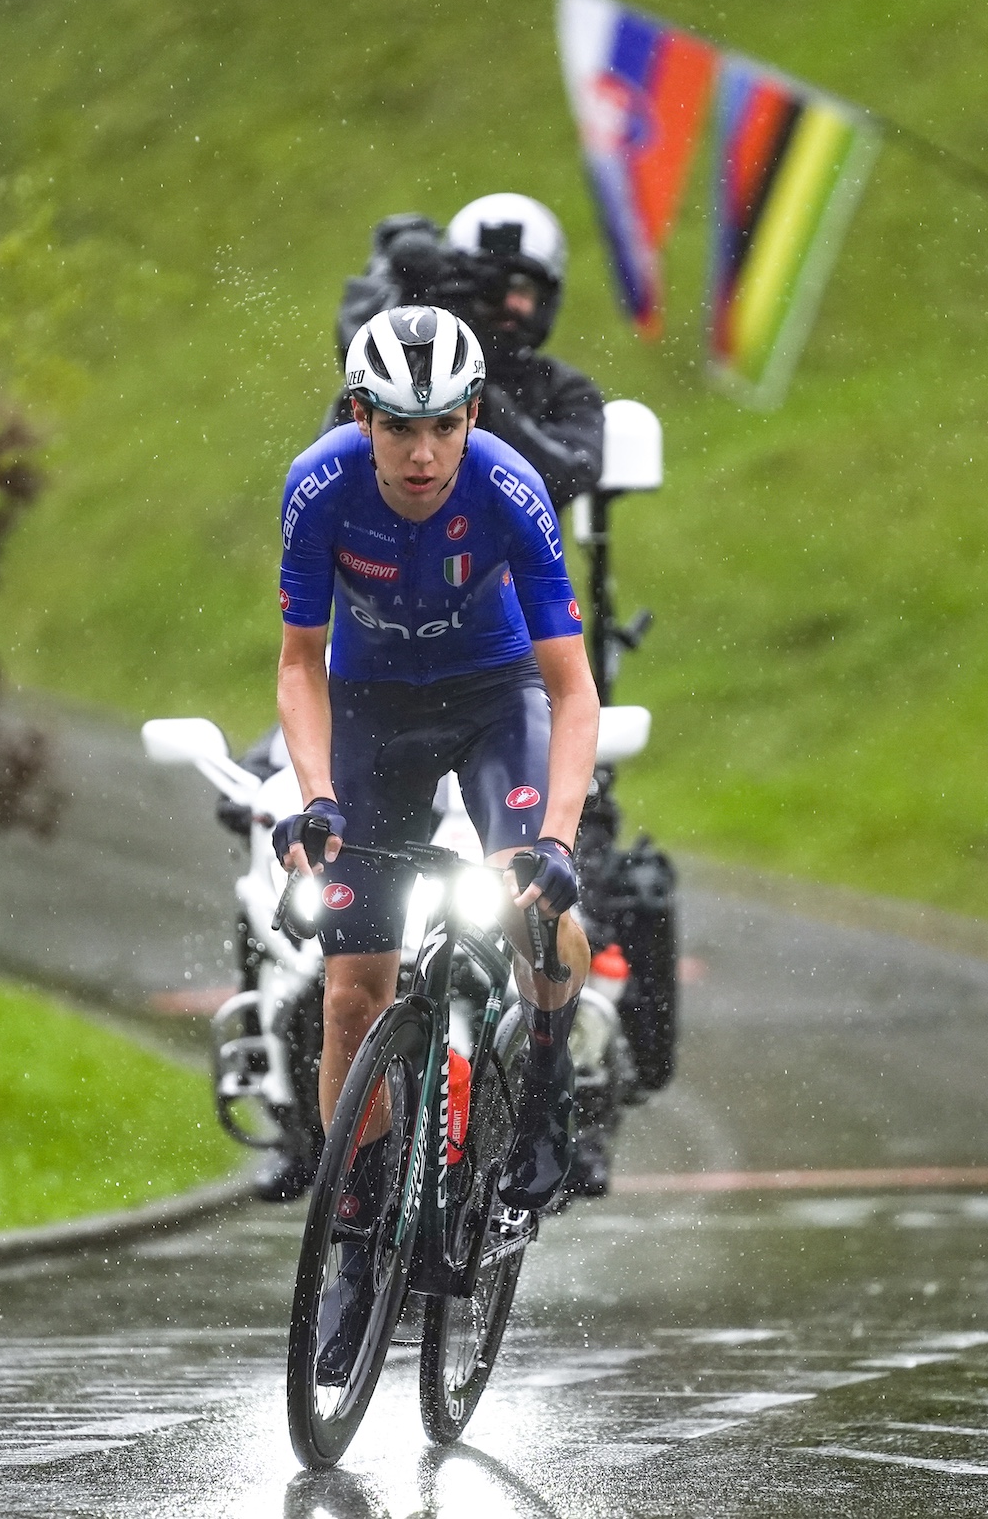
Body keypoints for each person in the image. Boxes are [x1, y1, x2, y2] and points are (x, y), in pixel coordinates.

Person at [271, 304, 599, 1382]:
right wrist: (315, 797)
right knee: (350, 991)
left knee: (533, 906)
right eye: (399, 428)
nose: (422, 454)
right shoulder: (319, 488)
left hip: (492, 700)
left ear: (471, 417)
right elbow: (299, 663)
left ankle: (546, 1096)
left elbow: (570, 687)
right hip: (369, 711)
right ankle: (357, 1240)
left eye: (444, 427)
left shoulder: (510, 489)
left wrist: (553, 839)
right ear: (361, 416)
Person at [327, 194, 605, 512]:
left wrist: (465, 383)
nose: (508, 303)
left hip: (504, 560)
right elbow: (356, 352)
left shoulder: (564, 389)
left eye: (522, 289)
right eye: (490, 287)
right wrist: (397, 283)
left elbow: (565, 477)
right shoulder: (404, 372)